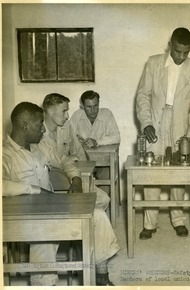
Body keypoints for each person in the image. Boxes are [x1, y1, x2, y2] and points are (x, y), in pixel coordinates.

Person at [3, 102, 120, 286]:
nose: (43, 129)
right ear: (24, 125)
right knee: (45, 237)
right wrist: (34, 190)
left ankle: (100, 276)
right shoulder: (5, 154)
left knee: (97, 214)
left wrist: (76, 179)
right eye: (39, 124)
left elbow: (65, 160)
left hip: (52, 209)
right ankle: (46, 285)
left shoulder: (39, 146)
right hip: (25, 219)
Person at [135, 27, 190, 239]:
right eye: (177, 51)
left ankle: (178, 219)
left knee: (179, 172)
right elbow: (143, 95)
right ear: (170, 45)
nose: (181, 57)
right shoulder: (154, 63)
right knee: (151, 170)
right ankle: (150, 223)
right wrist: (146, 122)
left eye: (186, 52)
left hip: (180, 123)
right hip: (156, 120)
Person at [41, 93, 110, 211]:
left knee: (103, 199)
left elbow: (79, 152)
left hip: (72, 177)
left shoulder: (66, 126)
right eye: (64, 111)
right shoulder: (37, 131)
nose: (67, 116)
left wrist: (87, 178)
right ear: (50, 111)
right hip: (49, 184)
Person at [69, 90, 120, 161]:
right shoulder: (77, 115)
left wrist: (96, 142)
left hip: (103, 159)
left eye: (95, 106)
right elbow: (68, 137)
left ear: (99, 103)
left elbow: (116, 137)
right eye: (89, 107)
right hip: (82, 160)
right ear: (82, 107)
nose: (93, 110)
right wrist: (76, 140)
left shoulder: (106, 114)